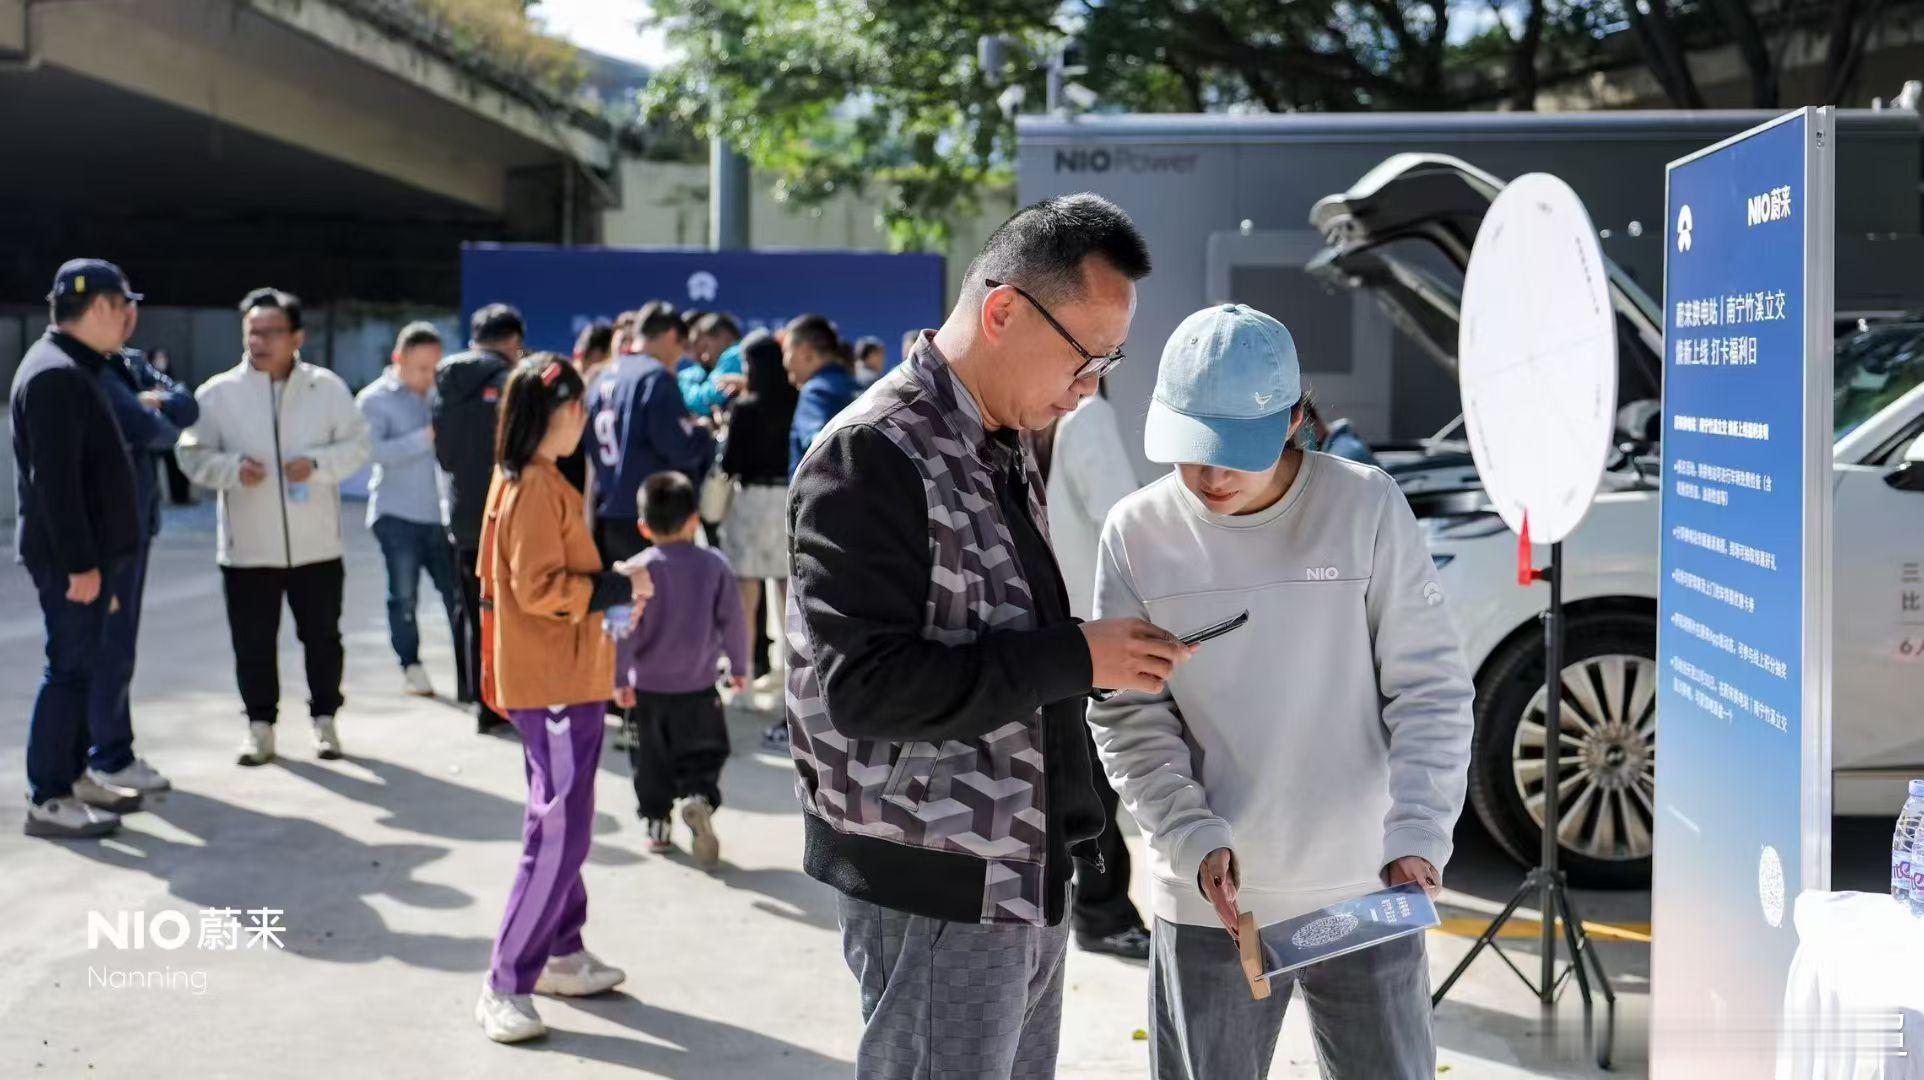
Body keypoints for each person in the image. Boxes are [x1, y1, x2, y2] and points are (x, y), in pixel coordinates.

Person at [786, 193, 1187, 1080]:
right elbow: (867, 689)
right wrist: (1080, 655)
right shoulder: (872, 455)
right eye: (1086, 361)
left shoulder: (995, 437)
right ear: (1003, 310)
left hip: (1020, 869)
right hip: (937, 879)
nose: (1089, 391)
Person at [1086, 304, 1476, 1080]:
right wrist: (1191, 837)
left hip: (1370, 884)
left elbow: (1429, 689)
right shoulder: (1137, 531)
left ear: (1296, 419)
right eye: (1194, 449)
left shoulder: (1364, 506)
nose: (1212, 475)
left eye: (1236, 451)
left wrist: (1420, 834)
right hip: (1213, 902)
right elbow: (1130, 716)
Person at [474, 354, 652, 1044]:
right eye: (577, 407)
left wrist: (609, 589)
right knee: (558, 830)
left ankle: (562, 950)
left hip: (562, 676)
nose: (583, 419)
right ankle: (505, 980)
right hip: (552, 680)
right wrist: (615, 586)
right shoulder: (534, 488)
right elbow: (541, 588)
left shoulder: (533, 478)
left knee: (564, 820)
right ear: (555, 414)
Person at [176, 287, 371, 767]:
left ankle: (325, 721)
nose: (259, 342)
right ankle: (259, 727)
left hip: (316, 545)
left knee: (323, 639)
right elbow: (191, 453)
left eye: (271, 332)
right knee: (253, 644)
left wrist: (319, 465)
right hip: (248, 550)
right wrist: (231, 470)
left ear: (296, 336)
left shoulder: (326, 389)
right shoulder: (218, 394)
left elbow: (357, 446)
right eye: (252, 332)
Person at [13, 259, 147, 838]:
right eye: (123, 307)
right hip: (74, 562)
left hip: (94, 558)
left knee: (83, 666)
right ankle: (48, 795)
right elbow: (56, 484)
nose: (130, 319)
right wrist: (81, 565)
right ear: (98, 308)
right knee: (67, 672)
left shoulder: (76, 367)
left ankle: (72, 777)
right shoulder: (54, 374)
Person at [1032, 379, 1152, 960]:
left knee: (1071, 780)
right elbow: (1123, 522)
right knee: (1099, 785)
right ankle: (1101, 914)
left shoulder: (1029, 412)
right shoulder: (1086, 414)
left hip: (1046, 634)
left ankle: (1082, 907)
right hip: (1092, 635)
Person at [613, 472, 749, 866]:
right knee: (705, 753)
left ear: (643, 525)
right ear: (694, 519)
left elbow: (622, 632)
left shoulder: (635, 571)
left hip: (648, 692)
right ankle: (698, 798)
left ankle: (657, 824)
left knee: (649, 762)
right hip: (699, 686)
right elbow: (734, 621)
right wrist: (738, 666)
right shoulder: (714, 565)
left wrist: (619, 679)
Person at [91, 335, 199, 804]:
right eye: (118, 304)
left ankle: (103, 753)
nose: (128, 316)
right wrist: (154, 411)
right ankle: (108, 756)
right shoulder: (88, 369)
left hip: (134, 526)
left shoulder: (130, 362)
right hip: (105, 534)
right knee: (104, 649)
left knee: (116, 648)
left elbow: (186, 406)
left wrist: (154, 402)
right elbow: (154, 430)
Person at [357, 321, 460, 698]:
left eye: (435, 367)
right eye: (421, 367)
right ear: (398, 359)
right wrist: (424, 438)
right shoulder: (373, 400)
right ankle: (411, 665)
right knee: (403, 597)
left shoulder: (444, 394)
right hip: (396, 515)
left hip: (443, 515)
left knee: (457, 596)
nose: (429, 376)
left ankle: (468, 671)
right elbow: (373, 453)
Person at [434, 303, 524, 734]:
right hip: (507, 515)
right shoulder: (513, 385)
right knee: (509, 611)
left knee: (470, 608)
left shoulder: (445, 383)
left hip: (462, 513)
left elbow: (444, 454)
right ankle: (505, 700)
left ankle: (476, 696)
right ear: (512, 342)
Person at [717, 331, 798, 751]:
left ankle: (743, 683)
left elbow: (730, 462)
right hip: (787, 499)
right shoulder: (795, 401)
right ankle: (790, 683)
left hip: (750, 504)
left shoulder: (744, 408)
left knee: (745, 604)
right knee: (790, 603)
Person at [586, 300, 713, 567]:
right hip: (653, 515)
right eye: (681, 346)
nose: (679, 357)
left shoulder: (602, 377)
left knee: (622, 605)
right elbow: (678, 447)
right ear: (670, 336)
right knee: (661, 605)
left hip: (609, 511)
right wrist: (703, 433)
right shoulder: (654, 377)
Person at [781, 314, 862, 478]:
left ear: (806, 352)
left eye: (786, 351)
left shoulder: (814, 392)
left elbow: (821, 448)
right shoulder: (860, 389)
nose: (784, 361)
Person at [149, 349, 197, 505]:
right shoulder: (143, 377)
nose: (161, 361)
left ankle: (180, 496)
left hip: (171, 430)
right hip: (150, 432)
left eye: (163, 357)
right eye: (157, 358)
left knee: (175, 465)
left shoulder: (170, 381)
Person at [682, 310, 745, 418]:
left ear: (725, 337)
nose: (704, 357)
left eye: (705, 347)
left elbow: (703, 401)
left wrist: (683, 387)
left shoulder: (734, 354)